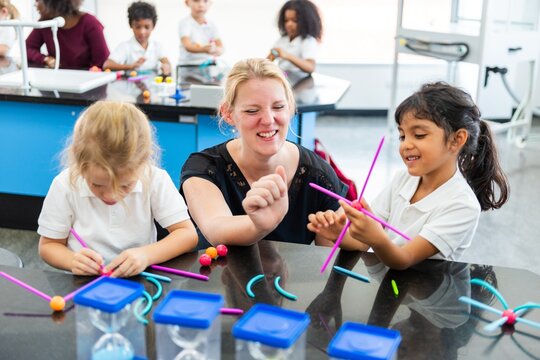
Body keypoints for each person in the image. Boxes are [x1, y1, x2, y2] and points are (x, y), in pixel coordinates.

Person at [308, 82, 510, 269]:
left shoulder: (462, 205)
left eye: (419, 135)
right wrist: (339, 235)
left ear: (457, 140)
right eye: (402, 136)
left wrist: (377, 238)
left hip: (429, 301)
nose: (406, 145)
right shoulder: (403, 179)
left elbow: (403, 259)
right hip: (391, 290)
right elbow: (362, 242)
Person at [180, 58, 347, 247]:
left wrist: (362, 233)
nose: (268, 120)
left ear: (291, 107)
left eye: (278, 107)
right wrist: (258, 226)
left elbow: (327, 256)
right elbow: (216, 229)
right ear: (228, 113)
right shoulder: (203, 168)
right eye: (252, 111)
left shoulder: (319, 175)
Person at [37, 101, 198, 278]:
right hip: (85, 282)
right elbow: (48, 246)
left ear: (143, 162)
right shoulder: (65, 185)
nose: (111, 195)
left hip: (141, 279)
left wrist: (146, 255)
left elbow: (187, 235)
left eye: (125, 185)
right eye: (97, 185)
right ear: (80, 164)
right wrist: (71, 260)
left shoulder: (154, 179)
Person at [26, 0, 110, 69]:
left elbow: (101, 61)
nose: (35, 5)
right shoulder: (45, 24)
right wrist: (44, 59)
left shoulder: (90, 23)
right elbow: (26, 48)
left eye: (37, 1)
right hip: (56, 80)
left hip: (86, 82)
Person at [103, 1, 171, 76]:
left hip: (152, 87)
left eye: (147, 27)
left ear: (153, 26)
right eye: (138, 27)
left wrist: (166, 66)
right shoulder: (125, 46)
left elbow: (166, 62)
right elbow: (107, 65)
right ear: (131, 25)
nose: (142, 32)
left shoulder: (157, 46)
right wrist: (130, 66)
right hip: (130, 86)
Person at [267, 0, 322, 75]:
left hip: (301, 80)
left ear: (305, 22)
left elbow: (310, 67)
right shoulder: (282, 40)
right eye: (286, 20)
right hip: (284, 75)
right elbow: (269, 60)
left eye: (295, 20)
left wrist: (286, 55)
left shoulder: (307, 41)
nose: (289, 24)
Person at [177, 0, 223, 65]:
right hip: (188, 65)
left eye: (205, 1)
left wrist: (217, 50)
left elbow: (220, 46)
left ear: (210, 3)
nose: (201, 5)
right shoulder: (185, 23)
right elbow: (187, 46)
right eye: (196, 0)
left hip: (207, 66)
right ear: (187, 2)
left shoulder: (212, 25)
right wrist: (204, 49)